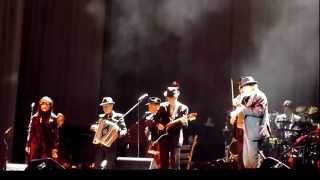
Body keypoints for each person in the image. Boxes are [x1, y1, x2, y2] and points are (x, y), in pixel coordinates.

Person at [230, 76, 271, 168]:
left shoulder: (259, 95)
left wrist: (241, 111)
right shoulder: (250, 95)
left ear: (250, 86)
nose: (242, 90)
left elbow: (259, 112)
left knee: (253, 162)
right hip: (248, 133)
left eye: (243, 88)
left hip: (256, 133)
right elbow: (244, 105)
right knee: (247, 162)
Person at [152, 82, 189, 169]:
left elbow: (185, 124)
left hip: (175, 140)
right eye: (169, 98)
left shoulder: (183, 108)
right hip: (163, 138)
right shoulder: (162, 106)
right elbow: (154, 120)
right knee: (163, 164)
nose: (170, 100)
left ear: (177, 96)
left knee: (175, 165)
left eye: (172, 98)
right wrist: (158, 125)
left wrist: (173, 124)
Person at [90, 97, 127, 169]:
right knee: (97, 166)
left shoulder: (118, 116)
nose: (104, 108)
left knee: (110, 166)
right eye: (103, 107)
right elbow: (93, 125)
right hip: (100, 146)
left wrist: (117, 131)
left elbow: (124, 130)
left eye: (106, 106)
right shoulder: (101, 117)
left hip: (111, 146)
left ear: (111, 106)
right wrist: (93, 127)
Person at [25, 96, 59, 162]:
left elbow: (56, 135)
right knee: (33, 163)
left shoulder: (54, 118)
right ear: (40, 105)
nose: (44, 106)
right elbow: (31, 132)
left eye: (47, 104)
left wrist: (55, 149)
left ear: (50, 106)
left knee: (44, 164)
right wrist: (28, 145)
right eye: (43, 104)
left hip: (47, 146)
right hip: (35, 145)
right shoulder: (35, 117)